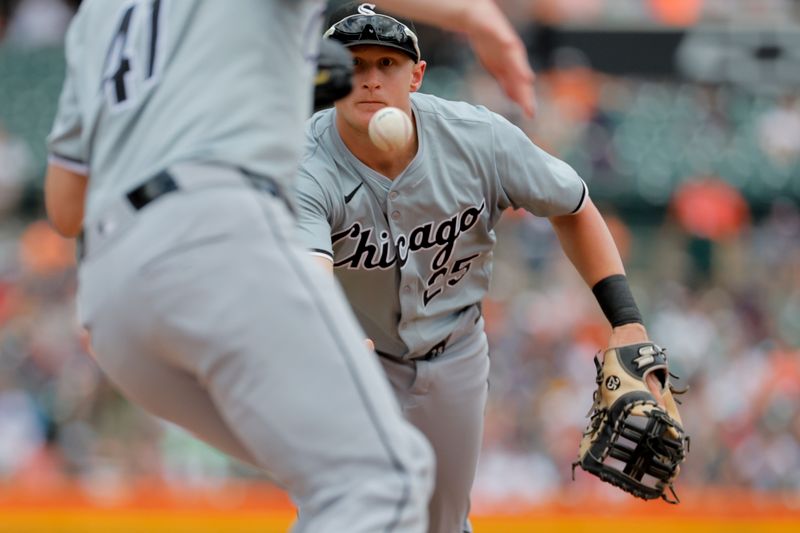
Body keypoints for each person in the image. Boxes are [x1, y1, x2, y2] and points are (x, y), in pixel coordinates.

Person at [43, 1, 536, 532]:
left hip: (112, 299)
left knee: (343, 476)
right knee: (386, 479)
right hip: (213, 231)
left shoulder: (100, 13)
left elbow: (66, 206)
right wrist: (475, 16)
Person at [294, 3, 663, 532]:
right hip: (353, 361)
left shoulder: (477, 138)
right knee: (343, 513)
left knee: (441, 522)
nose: (370, 80)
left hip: (455, 356)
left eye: (387, 65)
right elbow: (310, 271)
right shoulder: (304, 162)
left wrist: (626, 318)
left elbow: (574, 206)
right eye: (354, 65)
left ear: (416, 75)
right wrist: (327, 335)